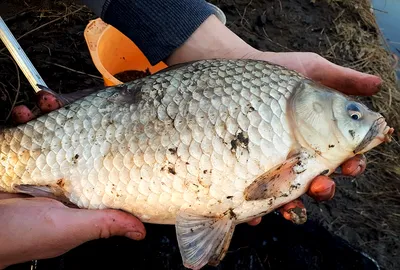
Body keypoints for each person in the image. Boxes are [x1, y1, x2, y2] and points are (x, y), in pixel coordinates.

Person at [0, 0, 380, 268]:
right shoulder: (292, 126)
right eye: (352, 113)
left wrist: (208, 42)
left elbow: (261, 190)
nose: (360, 121)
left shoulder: (290, 121)